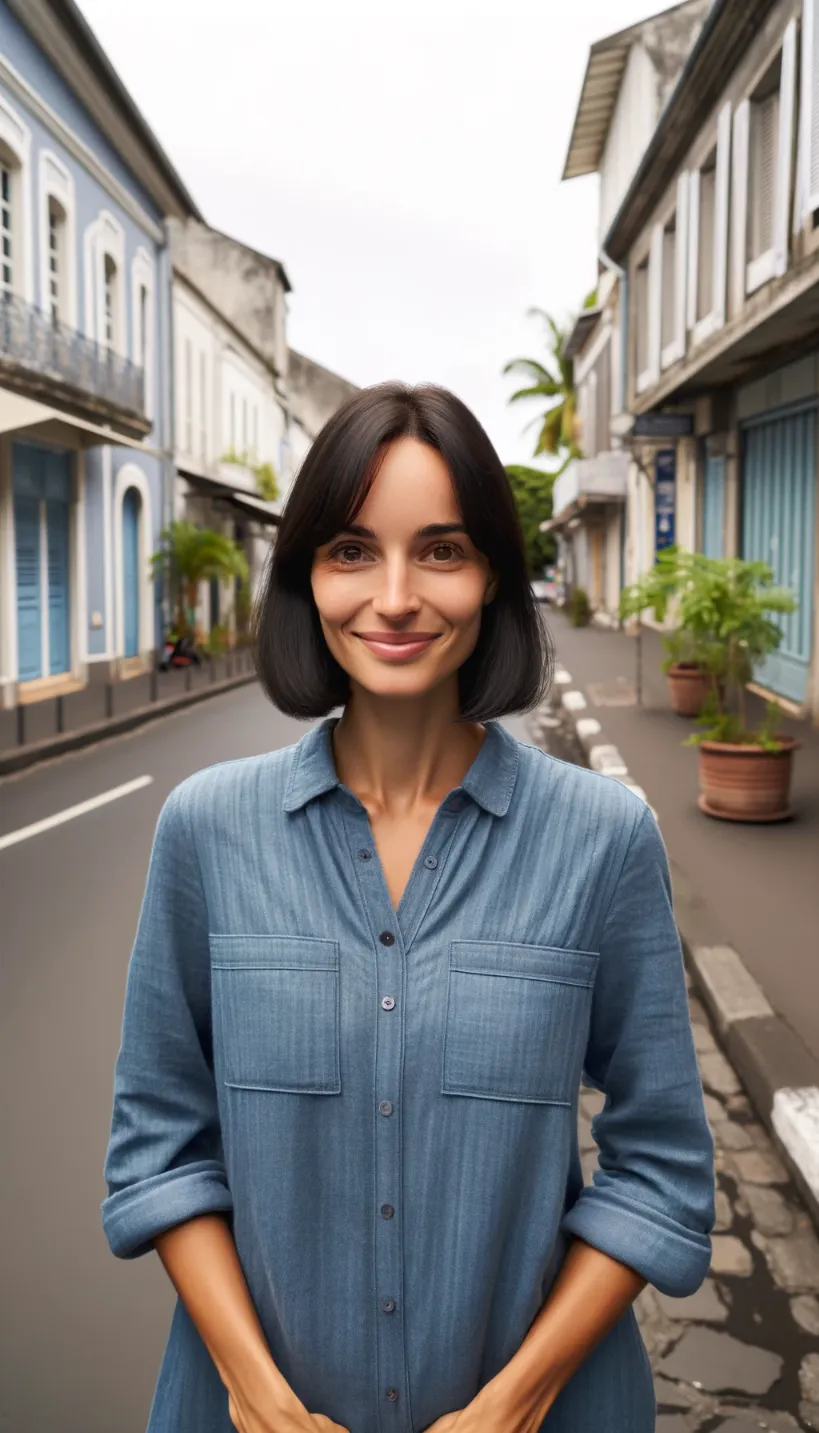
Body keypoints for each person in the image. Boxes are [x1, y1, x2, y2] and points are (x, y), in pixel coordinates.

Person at [101, 382, 715, 1433]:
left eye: (440, 549)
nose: (393, 596)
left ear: (491, 579)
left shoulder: (603, 840)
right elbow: (161, 1145)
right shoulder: (206, 830)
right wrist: (255, 1392)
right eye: (350, 550)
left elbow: (660, 1166)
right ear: (305, 575)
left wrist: (514, 1402)